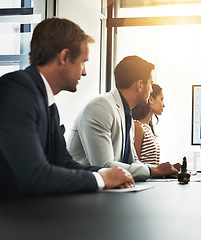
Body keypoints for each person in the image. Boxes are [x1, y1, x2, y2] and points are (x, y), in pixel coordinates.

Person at [0, 18, 134, 194]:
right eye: (83, 62)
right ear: (64, 57)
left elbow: (63, 162)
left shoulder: (47, 103)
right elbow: (34, 176)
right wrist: (102, 180)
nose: (84, 71)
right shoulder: (17, 91)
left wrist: (105, 173)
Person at [68, 56, 178, 181]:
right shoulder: (100, 107)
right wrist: (154, 170)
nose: (151, 89)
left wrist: (161, 171)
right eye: (151, 84)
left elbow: (134, 161)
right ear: (140, 85)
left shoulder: (126, 114)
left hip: (109, 190)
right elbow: (104, 167)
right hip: (84, 192)